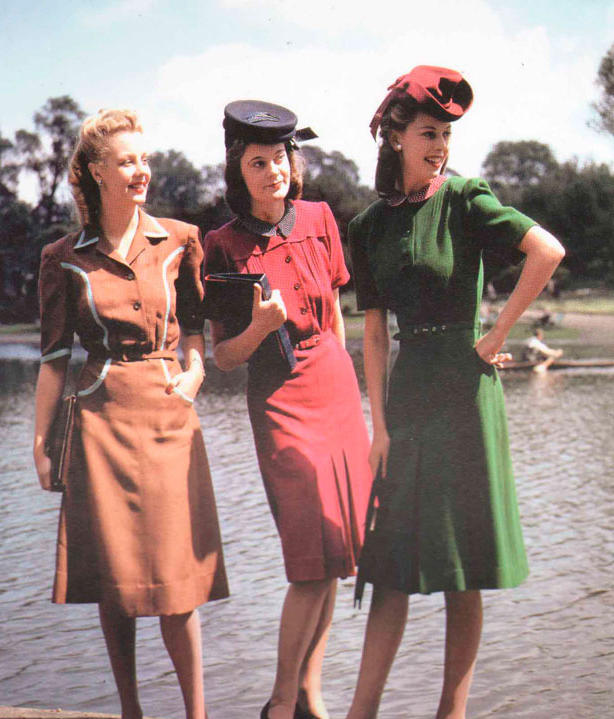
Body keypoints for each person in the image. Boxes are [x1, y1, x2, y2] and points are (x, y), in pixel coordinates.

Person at [346, 66, 565, 719]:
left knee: (462, 569)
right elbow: (375, 335)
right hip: (409, 396)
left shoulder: (467, 197)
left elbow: (547, 251)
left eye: (445, 135)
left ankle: (452, 712)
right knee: (390, 565)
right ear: (394, 137)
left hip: (466, 393)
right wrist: (379, 427)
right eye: (428, 133)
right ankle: (361, 711)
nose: (439, 146)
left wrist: (496, 331)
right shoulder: (368, 227)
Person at [32, 109, 229, 719]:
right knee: (115, 582)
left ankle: (196, 713)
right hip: (100, 424)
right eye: (126, 161)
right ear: (97, 171)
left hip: (170, 418)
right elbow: (54, 360)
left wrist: (193, 374)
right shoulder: (63, 257)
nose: (141, 171)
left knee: (176, 579)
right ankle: (130, 711)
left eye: (144, 159)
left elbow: (195, 330)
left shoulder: (181, 240)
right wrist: (41, 444)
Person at [203, 101, 373, 719]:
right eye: (258, 162)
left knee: (337, 556)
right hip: (279, 399)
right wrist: (260, 327)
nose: (272, 171)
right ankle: (279, 703)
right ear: (238, 171)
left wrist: (344, 379)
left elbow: (336, 315)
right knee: (309, 559)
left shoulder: (322, 217)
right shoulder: (221, 245)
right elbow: (224, 357)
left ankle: (310, 697)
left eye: (279, 158)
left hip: (334, 386)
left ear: (291, 162)